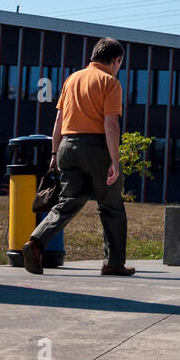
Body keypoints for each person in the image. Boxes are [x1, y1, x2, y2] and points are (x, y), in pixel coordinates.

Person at [22, 37, 134, 276]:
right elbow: (111, 124)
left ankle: (35, 242)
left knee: (68, 202)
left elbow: (59, 121)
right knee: (111, 206)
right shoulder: (109, 82)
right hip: (96, 147)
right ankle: (114, 263)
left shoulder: (72, 79)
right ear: (116, 60)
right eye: (119, 63)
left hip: (67, 147)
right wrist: (114, 160)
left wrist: (54, 152)